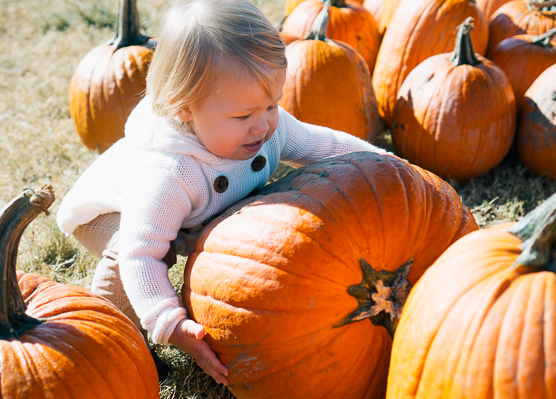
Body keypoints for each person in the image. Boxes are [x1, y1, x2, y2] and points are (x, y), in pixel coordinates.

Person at [57, 0, 389, 386]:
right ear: (185, 109)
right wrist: (170, 324)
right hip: (108, 214)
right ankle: (116, 340)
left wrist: (384, 164)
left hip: (182, 216)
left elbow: (323, 145)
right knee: (147, 253)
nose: (262, 125)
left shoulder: (266, 127)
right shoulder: (170, 174)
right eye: (243, 116)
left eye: (272, 104)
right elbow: (139, 254)